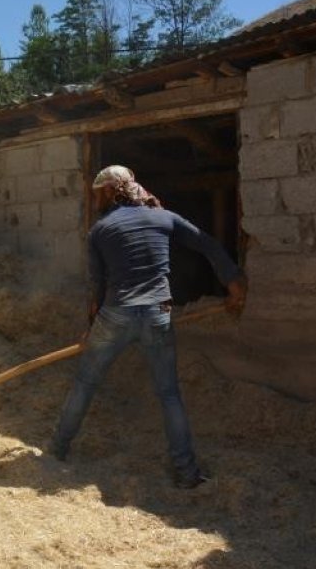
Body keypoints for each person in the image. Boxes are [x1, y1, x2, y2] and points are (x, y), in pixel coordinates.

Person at [47, 165, 247, 489]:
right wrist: (234, 282)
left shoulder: (100, 230)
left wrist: (91, 328)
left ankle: (56, 451)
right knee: (169, 394)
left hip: (115, 316)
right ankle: (187, 473)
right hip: (157, 313)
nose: (95, 198)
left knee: (85, 382)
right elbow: (207, 244)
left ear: (110, 192)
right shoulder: (163, 217)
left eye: (98, 193)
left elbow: (97, 287)